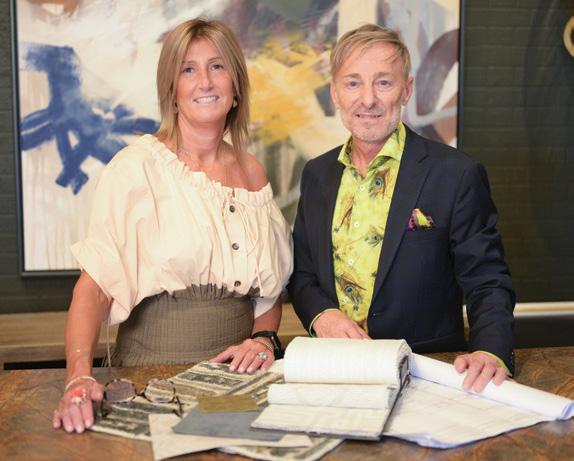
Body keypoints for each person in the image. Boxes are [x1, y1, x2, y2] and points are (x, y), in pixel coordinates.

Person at [53, 18, 292, 434]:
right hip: (152, 378)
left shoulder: (253, 173)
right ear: (172, 89)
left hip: (237, 386)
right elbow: (93, 289)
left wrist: (262, 340)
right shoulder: (136, 168)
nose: (205, 81)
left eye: (217, 66)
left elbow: (269, 293)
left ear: (236, 85)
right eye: (188, 69)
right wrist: (78, 376)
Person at [289, 24, 515, 394]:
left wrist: (490, 350)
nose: (368, 99)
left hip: (426, 372)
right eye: (353, 83)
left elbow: (487, 278)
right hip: (334, 369)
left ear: (406, 89)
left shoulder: (456, 174)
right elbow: (303, 273)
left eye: (383, 82)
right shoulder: (316, 174)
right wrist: (321, 315)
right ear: (334, 93)